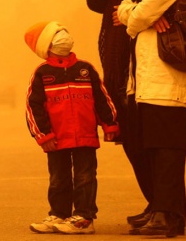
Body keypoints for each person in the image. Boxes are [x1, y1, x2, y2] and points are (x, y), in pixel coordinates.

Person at [116, 0, 186, 237]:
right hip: (152, 79)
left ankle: (166, 215)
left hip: (168, 78)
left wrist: (143, 16)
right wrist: (144, 15)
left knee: (168, 149)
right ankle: (165, 212)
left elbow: (135, 19)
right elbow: (123, 9)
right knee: (158, 147)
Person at [24, 21, 120, 234]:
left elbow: (101, 98)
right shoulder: (42, 73)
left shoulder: (85, 69)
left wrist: (110, 123)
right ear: (47, 46)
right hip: (56, 139)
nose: (63, 36)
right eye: (57, 34)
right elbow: (33, 107)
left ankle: (84, 218)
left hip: (85, 137)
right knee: (58, 178)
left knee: (85, 177)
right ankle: (59, 214)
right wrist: (43, 135)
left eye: (63, 32)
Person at [86, 0, 154, 228]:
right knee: (134, 144)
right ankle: (156, 203)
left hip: (145, 71)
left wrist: (133, 13)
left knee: (151, 144)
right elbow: (94, 2)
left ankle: (164, 206)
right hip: (119, 74)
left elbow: (156, 5)